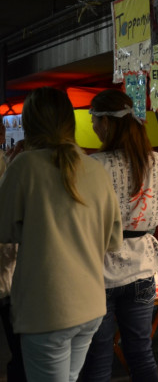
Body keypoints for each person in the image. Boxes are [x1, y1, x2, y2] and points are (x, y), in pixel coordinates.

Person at [0, 87, 123, 381]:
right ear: (69, 121)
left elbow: (3, 230)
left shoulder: (24, 167)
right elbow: (113, 241)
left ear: (29, 124)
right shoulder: (96, 169)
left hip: (48, 309)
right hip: (91, 306)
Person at [79, 89, 158, 382]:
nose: (93, 126)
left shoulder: (94, 166)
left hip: (100, 272)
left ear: (106, 122)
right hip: (144, 269)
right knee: (141, 354)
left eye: (93, 119)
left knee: (98, 358)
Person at [0, 123, 27, 382]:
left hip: (8, 270)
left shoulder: (11, 164)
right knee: (16, 343)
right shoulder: (14, 167)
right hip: (7, 270)